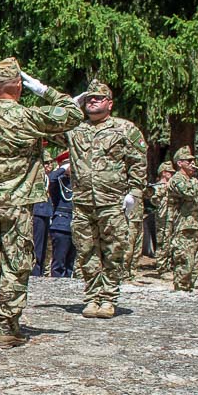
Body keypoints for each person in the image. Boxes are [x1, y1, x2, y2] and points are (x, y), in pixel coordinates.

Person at [0, 57, 83, 348]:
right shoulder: (27, 117)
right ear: (19, 88)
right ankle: (8, 326)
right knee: (15, 263)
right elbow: (73, 113)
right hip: (18, 203)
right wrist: (44, 90)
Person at [61, 80, 147, 319]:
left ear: (110, 103)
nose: (93, 101)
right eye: (89, 98)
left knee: (113, 250)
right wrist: (70, 105)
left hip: (112, 201)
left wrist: (134, 195)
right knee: (86, 251)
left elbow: (138, 164)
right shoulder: (76, 129)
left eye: (98, 98)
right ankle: (91, 297)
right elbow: (52, 128)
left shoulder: (124, 129)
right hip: (83, 202)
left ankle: (108, 298)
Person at [167, 146, 198, 292]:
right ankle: (181, 289)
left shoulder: (194, 180)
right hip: (183, 226)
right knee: (184, 259)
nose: (192, 163)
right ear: (179, 163)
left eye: (193, 160)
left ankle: (189, 288)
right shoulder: (176, 179)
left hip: (196, 225)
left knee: (196, 261)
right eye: (188, 161)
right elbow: (189, 192)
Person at [47, 160, 75, 277]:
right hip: (61, 225)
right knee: (59, 263)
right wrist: (63, 168)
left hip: (76, 225)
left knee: (70, 264)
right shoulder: (59, 181)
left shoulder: (78, 182)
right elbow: (51, 178)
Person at [30, 151, 55, 276]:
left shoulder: (46, 177)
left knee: (44, 246)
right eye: (46, 163)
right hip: (37, 213)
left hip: (46, 213)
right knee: (37, 245)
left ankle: (39, 271)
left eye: (51, 162)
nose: (49, 166)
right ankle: (35, 271)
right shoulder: (35, 176)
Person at [151, 160, 175, 277]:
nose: (171, 174)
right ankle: (162, 268)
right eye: (169, 172)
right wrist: (164, 188)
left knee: (170, 242)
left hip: (171, 217)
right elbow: (154, 200)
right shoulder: (157, 186)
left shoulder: (172, 185)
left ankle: (169, 266)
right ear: (163, 173)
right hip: (162, 218)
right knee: (162, 242)